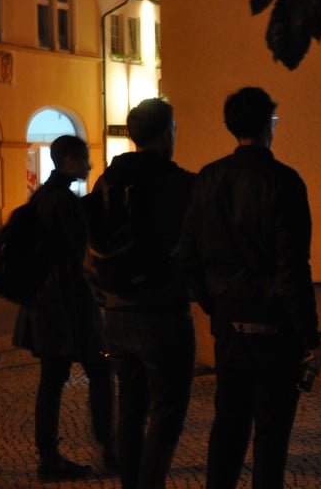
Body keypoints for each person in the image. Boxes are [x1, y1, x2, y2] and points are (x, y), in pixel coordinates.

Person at [179, 86, 321, 489]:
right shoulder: (285, 181)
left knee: (228, 427)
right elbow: (293, 268)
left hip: (230, 323)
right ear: (267, 126)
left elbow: (188, 255)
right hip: (277, 328)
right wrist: (311, 337)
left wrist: (214, 302)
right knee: (271, 436)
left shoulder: (208, 179)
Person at [86, 98, 196, 489]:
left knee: (130, 407)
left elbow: (92, 247)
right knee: (167, 411)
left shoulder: (107, 181)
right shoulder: (179, 184)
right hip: (164, 314)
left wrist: (104, 296)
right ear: (166, 135)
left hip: (115, 315)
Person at [11, 135, 115, 482]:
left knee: (52, 380)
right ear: (69, 160)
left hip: (45, 305)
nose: (89, 165)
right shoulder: (63, 202)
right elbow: (75, 257)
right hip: (66, 306)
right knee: (99, 370)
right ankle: (105, 449)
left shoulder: (43, 197)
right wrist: (97, 293)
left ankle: (49, 457)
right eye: (84, 158)